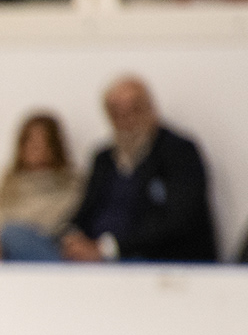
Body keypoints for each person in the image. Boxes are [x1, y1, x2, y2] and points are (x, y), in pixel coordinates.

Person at [60, 76, 218, 264]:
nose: (126, 120)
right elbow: (86, 210)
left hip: (155, 260)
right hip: (95, 259)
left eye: (134, 110)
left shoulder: (179, 152)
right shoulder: (104, 158)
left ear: (151, 109)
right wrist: (72, 235)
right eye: (117, 113)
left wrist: (109, 249)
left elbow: (178, 220)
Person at [0, 112, 81, 261]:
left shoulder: (71, 184)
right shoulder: (8, 183)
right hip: (4, 257)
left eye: (43, 141)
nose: (36, 147)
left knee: (13, 233)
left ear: (55, 145)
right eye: (30, 140)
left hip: (47, 255)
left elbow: (58, 228)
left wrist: (12, 236)